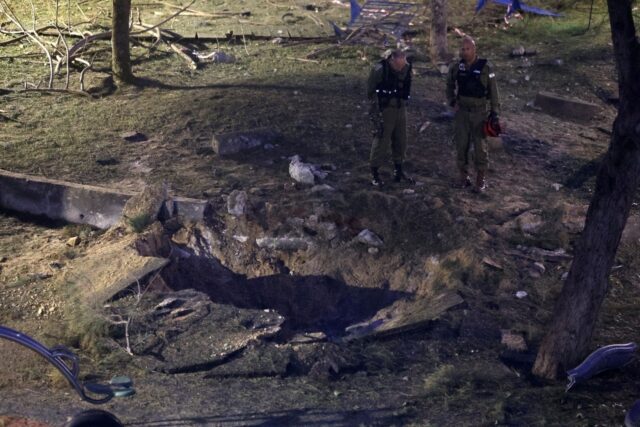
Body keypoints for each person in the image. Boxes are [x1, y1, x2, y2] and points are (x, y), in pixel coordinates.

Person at [446, 36, 500, 192]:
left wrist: (494, 112)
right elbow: (449, 85)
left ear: (474, 49)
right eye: (462, 49)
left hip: (479, 113)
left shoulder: (486, 68)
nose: (464, 52)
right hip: (462, 112)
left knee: (480, 148)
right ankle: (463, 178)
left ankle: (480, 180)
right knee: (461, 145)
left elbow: (493, 91)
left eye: (467, 49)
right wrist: (452, 101)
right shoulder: (456, 67)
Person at [367, 49, 415, 187]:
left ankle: (398, 170)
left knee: (401, 140)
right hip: (385, 110)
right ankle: (375, 173)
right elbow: (370, 92)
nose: (400, 69)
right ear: (392, 60)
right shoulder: (380, 69)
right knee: (381, 140)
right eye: (398, 66)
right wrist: (376, 112)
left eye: (402, 65)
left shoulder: (406, 68)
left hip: (401, 109)